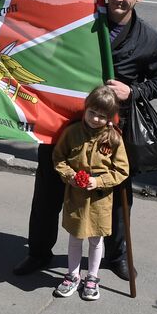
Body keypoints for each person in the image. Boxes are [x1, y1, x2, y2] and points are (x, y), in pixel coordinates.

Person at [13, 0, 157, 281]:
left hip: (113, 135)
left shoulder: (150, 39)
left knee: (117, 198)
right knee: (48, 193)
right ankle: (38, 253)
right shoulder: (77, 25)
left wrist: (134, 91)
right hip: (64, 127)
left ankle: (116, 258)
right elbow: (47, 62)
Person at [52, 86, 129, 301]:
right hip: (75, 197)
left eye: (102, 116)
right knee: (75, 237)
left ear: (110, 117)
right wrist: (70, 176)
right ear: (85, 109)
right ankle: (73, 276)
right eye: (92, 113)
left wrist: (99, 181)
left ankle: (92, 277)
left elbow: (122, 170)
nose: (95, 119)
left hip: (100, 200)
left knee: (96, 240)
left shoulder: (114, 139)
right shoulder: (72, 132)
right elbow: (59, 159)